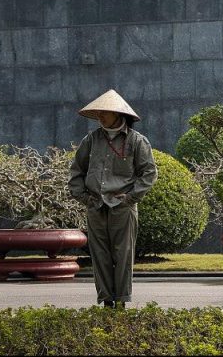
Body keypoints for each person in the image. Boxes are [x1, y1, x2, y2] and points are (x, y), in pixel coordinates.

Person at [68, 89, 158, 309]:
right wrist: (84, 198)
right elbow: (76, 171)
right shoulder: (91, 139)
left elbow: (149, 173)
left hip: (123, 207)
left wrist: (130, 198)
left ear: (118, 114)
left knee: (123, 254)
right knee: (99, 255)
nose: (100, 116)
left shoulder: (137, 141)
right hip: (95, 206)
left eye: (105, 112)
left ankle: (121, 302)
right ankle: (106, 301)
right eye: (98, 113)